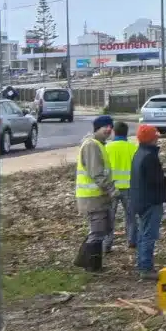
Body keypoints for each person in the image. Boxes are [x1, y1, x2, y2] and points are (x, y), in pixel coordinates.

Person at [127, 124, 166, 281]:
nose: (158, 137)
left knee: (142, 233)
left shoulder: (138, 153)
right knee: (149, 235)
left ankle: (142, 264)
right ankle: (146, 268)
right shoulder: (149, 157)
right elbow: (156, 181)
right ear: (152, 138)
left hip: (139, 200)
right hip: (151, 201)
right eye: (156, 135)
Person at [74, 115, 115, 268]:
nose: (109, 129)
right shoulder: (92, 145)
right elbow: (96, 173)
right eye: (105, 126)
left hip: (98, 196)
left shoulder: (99, 144)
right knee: (97, 231)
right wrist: (111, 189)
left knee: (101, 230)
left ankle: (86, 261)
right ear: (97, 128)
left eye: (111, 126)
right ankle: (91, 265)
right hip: (92, 197)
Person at [103, 120, 136, 253]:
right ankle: (132, 240)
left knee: (109, 217)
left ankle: (106, 244)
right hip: (129, 187)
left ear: (114, 132)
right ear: (126, 133)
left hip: (111, 188)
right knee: (131, 216)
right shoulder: (133, 148)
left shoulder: (107, 148)